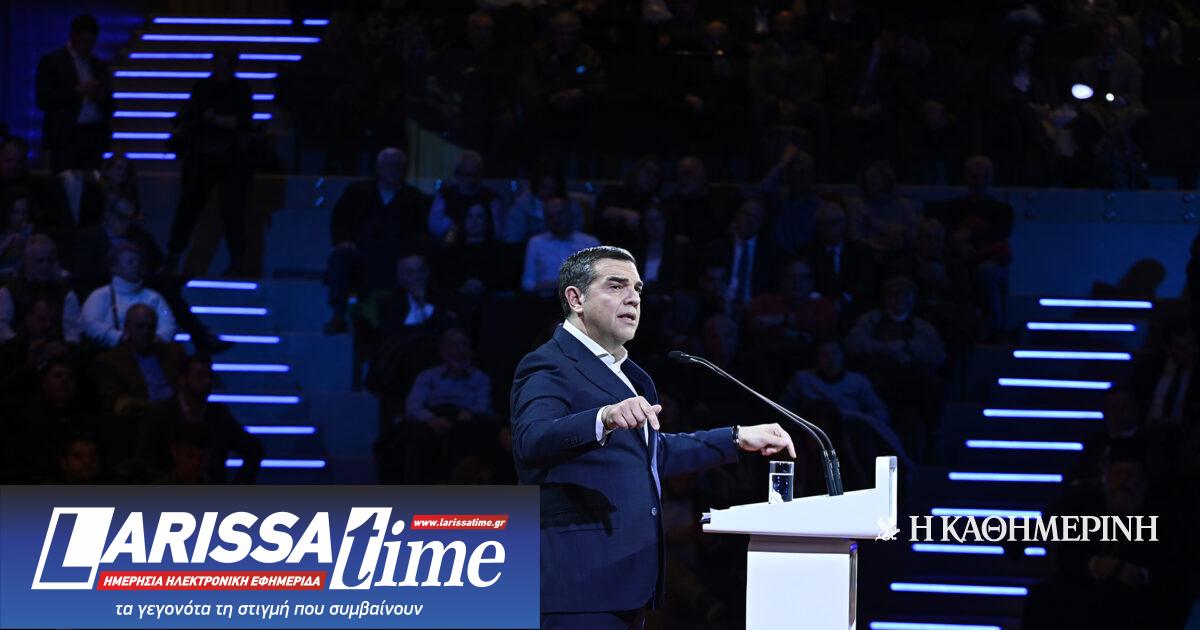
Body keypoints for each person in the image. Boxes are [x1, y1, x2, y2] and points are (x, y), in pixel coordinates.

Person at [510, 245, 795, 625]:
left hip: (627, 579)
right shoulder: (549, 364)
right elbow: (532, 439)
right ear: (576, 299)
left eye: (638, 289)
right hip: (578, 585)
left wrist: (735, 438)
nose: (633, 298)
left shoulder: (630, 375)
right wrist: (604, 417)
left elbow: (651, 455)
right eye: (616, 286)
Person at [325, 147, 432, 334]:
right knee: (340, 257)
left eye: (397, 165)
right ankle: (338, 315)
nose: (393, 170)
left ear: (404, 169)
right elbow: (340, 222)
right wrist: (344, 241)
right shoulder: (356, 192)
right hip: (361, 252)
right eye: (388, 165)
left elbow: (421, 233)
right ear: (378, 168)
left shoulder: (417, 200)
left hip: (397, 256)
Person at [166, 48, 253, 276]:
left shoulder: (240, 89)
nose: (221, 69)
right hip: (203, 157)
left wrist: (213, 119)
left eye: (226, 64)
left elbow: (242, 121)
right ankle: (174, 256)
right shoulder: (203, 87)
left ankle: (237, 260)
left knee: (230, 211)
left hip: (228, 158)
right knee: (190, 208)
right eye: (219, 63)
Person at [136, 355, 264, 484]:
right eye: (199, 375)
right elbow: (146, 462)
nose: (207, 382)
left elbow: (254, 448)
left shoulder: (218, 414)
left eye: (210, 376)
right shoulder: (160, 414)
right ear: (183, 379)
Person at [35, 13, 112, 174]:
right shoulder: (53, 62)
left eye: (91, 42)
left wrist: (100, 95)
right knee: (66, 181)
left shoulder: (99, 65)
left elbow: (111, 104)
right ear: (73, 36)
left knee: (91, 182)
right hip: (66, 136)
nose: (88, 46)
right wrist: (77, 92)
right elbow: (43, 100)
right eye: (85, 41)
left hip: (94, 134)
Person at [90, 303, 186, 416]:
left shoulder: (173, 352)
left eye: (151, 326)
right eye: (140, 326)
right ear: (127, 328)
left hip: (177, 415)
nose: (147, 331)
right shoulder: (112, 360)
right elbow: (116, 401)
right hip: (140, 418)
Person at [80, 242, 176, 348]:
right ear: (114, 268)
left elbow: (168, 325)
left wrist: (156, 339)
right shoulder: (100, 295)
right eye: (130, 262)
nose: (136, 265)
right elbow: (90, 324)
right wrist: (119, 338)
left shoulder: (154, 297)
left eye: (139, 261)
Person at [0, 235, 82, 343]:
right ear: (26, 262)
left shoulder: (66, 292)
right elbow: (2, 326)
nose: (45, 266)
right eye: (39, 261)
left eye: (50, 261)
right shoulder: (9, 290)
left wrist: (66, 348)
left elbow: (72, 330)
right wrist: (19, 345)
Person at [520, 198, 600, 296]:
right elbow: (527, 283)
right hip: (544, 299)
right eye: (551, 216)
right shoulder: (536, 243)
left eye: (560, 214)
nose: (556, 219)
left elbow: (599, 280)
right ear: (545, 219)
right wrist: (546, 286)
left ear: (570, 215)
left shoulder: (590, 243)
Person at [1130, 319, 1198, 425]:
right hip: (1148, 430)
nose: (1190, 352)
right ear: (1168, 349)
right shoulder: (1149, 368)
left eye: (1193, 345)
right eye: (1182, 349)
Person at [426, 151, 503, 241]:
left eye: (476, 174)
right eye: (467, 175)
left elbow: (498, 233)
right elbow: (434, 228)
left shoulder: (492, 199)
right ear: (457, 174)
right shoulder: (445, 196)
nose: (472, 180)